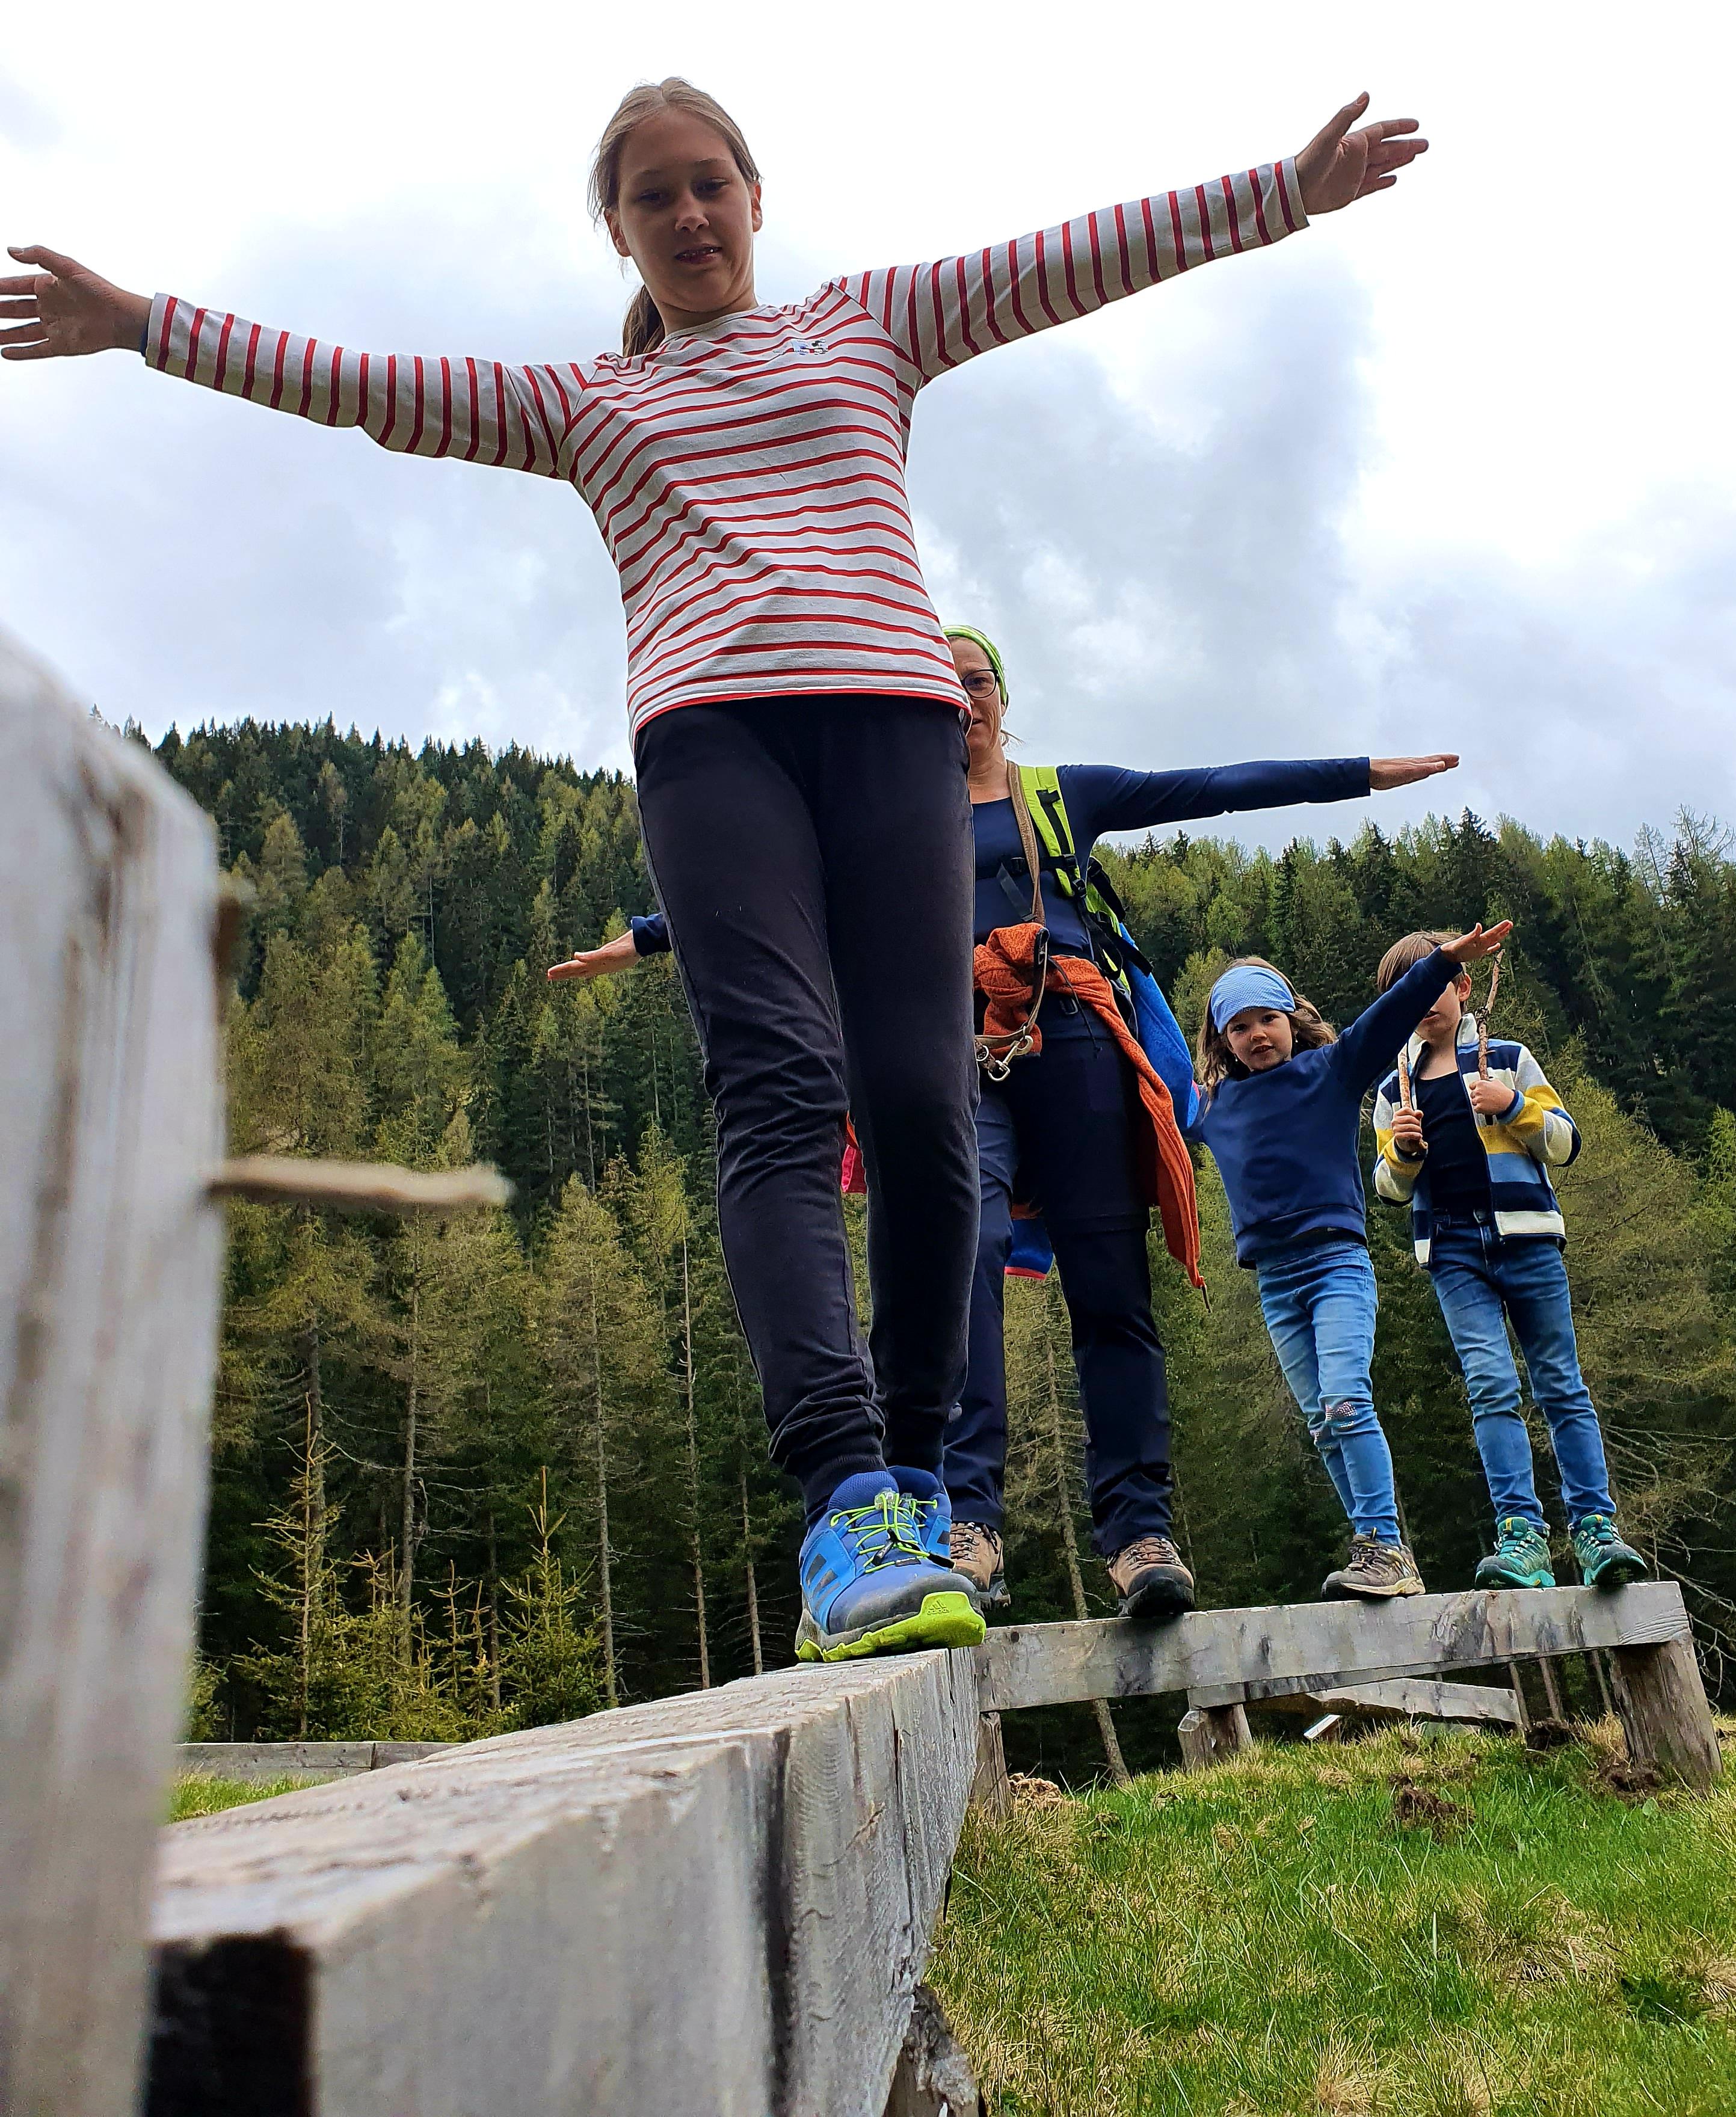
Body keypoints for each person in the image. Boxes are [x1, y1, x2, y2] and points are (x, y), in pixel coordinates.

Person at [4, 76, 1430, 1662]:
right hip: (711, 745)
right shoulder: (586, 403)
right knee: (780, 1087)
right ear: (614, 228)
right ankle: (842, 1507)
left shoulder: (870, 325)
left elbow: (1074, 258)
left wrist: (1283, 194)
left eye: (708, 185)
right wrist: (144, 324)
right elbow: (362, 384)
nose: (687, 216)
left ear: (755, 195)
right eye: (651, 196)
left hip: (890, 729)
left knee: (918, 1097)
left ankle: (904, 1470)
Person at [941, 625, 1460, 1618]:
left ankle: (1136, 1532)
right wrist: (654, 937)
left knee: (1109, 1285)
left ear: (1001, 696)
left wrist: (1358, 774)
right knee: (963, 1248)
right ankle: (969, 1524)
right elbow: (804, 884)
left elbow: (1209, 784)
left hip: (1078, 1041)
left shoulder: (1057, 795)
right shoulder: (892, 815)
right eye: (940, 686)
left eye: (974, 681)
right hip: (963, 1058)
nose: (960, 699)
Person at [1186, 924, 1511, 1597]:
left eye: (1267, 1019)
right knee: (1319, 1421)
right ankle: (1382, 1554)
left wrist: (1444, 962)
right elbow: (1155, 1058)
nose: (1256, 1035)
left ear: (1292, 1019)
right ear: (1222, 1042)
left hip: (1336, 1266)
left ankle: (1386, 1546)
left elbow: (1385, 1020)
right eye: (1239, 1027)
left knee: (1343, 1400)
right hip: (1276, 1282)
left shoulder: (1331, 1071)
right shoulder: (1214, 1106)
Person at [1370, 932, 1649, 1589]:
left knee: (1561, 1383)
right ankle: (1521, 1535)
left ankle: (1595, 1530)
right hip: (1453, 1251)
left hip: (1527, 1240)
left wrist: (1513, 1107)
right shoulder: (1393, 1089)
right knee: (1491, 1388)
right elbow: (1387, 1186)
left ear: (1463, 987)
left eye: (1434, 985)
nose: (1423, 1003)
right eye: (1405, 995)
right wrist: (1404, 1153)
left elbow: (1564, 1143)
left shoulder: (1511, 1059)